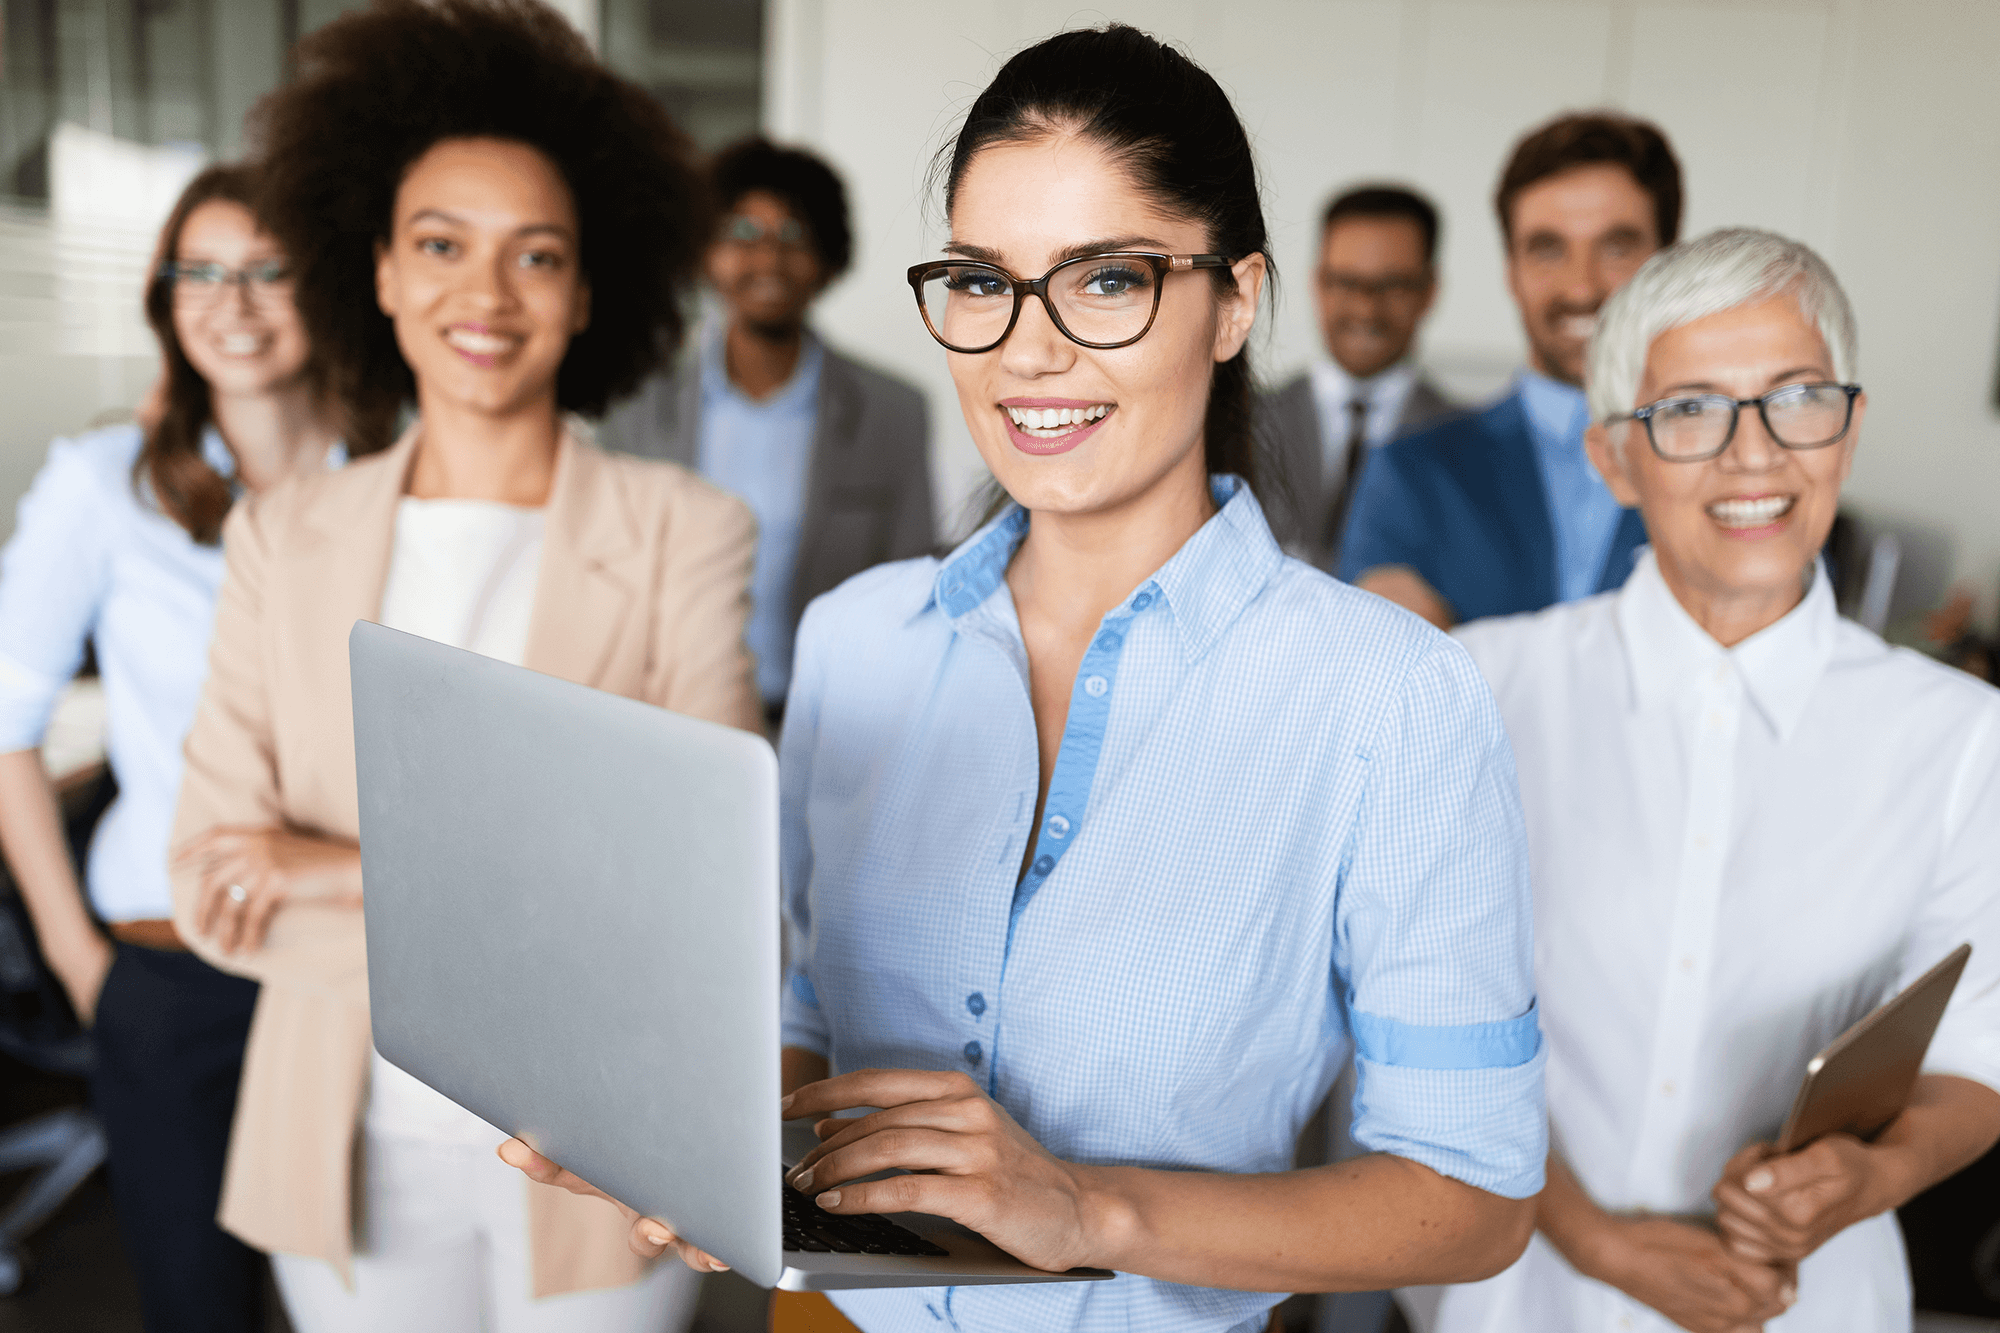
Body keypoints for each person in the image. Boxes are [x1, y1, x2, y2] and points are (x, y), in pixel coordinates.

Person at [504, 24, 1549, 1333]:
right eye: (982, 281)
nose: (1027, 349)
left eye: (1106, 280)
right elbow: (807, 1010)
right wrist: (680, 1136)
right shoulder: (856, 639)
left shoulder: (1392, 694)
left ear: (1234, 302)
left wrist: (1084, 1208)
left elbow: (1473, 1196)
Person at [165, 2, 760, 1330]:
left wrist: (327, 867)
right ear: (376, 269)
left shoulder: (685, 531)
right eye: (440, 245)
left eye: (534, 256)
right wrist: (541, 894)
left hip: (607, 1157)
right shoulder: (282, 533)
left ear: (589, 291)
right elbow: (211, 876)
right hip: (342, 1142)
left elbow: (702, 893)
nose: (483, 296)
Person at [1441, 229, 2000, 1332]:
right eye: (1691, 409)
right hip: (1524, 1299)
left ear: (1845, 429)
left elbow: (1975, 1062)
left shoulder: (1962, 739)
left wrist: (1868, 1181)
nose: (1754, 455)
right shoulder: (1479, 688)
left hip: (1806, 1306)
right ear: (1613, 456)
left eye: (1795, 397)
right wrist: (1595, 1240)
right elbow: (1401, 1027)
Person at [0, 163, 345, 1333]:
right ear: (162, 297)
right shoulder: (103, 486)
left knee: (370, 1298)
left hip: (356, 968)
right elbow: (6, 724)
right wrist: (76, 959)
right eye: (197, 270)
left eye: (266, 268)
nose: (229, 299)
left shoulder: (393, 482)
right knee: (197, 1306)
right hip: (167, 962)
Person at [600, 136, 934, 716]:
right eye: (743, 234)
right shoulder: (633, 409)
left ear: (830, 258)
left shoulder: (892, 412)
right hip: (664, 718)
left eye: (795, 236)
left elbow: (915, 588)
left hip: (838, 723)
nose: (768, 260)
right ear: (704, 252)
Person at [1340, 113, 1679, 628]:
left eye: (1616, 247)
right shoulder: (1412, 476)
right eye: (1548, 249)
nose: (1581, 288)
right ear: (1510, 272)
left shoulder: (1734, 463)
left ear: (1669, 262)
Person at [1256, 185, 1461, 567]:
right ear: (1318, 284)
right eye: (1347, 283)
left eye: (1393, 286)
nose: (1367, 310)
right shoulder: (1238, 424)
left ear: (1429, 291)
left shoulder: (1466, 442)